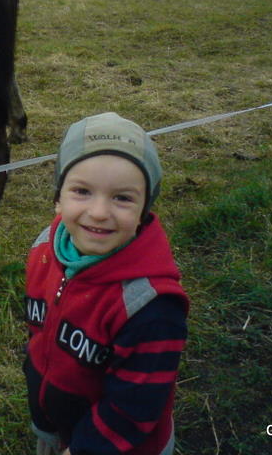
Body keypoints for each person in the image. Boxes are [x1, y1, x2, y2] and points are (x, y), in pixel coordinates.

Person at [23, 112, 189, 455]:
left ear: (145, 210)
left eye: (123, 198)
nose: (99, 212)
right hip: (57, 422)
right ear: (58, 197)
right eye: (82, 191)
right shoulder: (43, 249)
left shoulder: (150, 305)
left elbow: (135, 406)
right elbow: (38, 336)